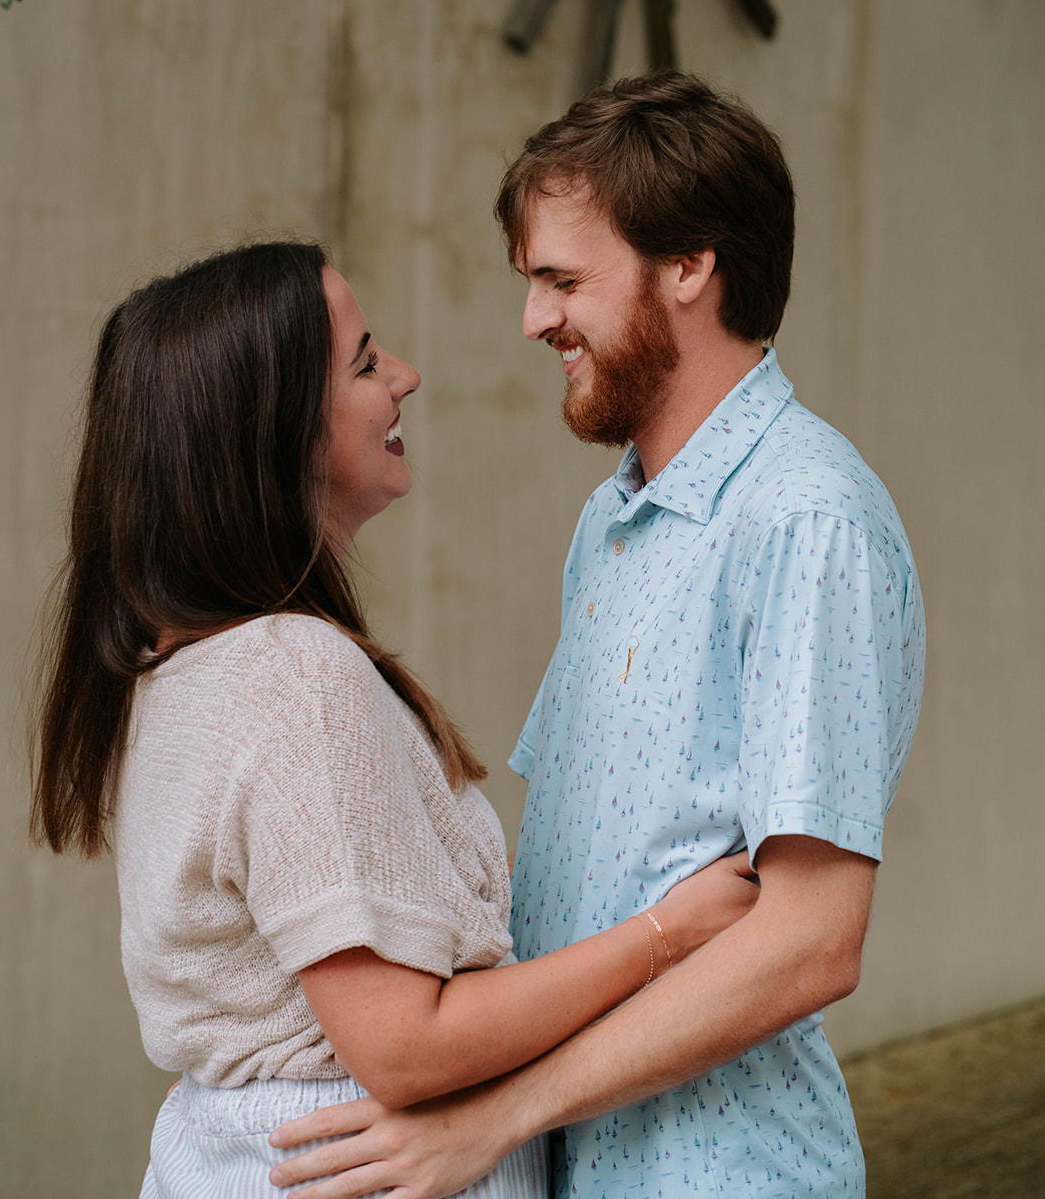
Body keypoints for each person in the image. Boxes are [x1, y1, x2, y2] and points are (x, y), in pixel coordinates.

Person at [266, 72, 926, 1198]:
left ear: (688, 267)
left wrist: (497, 1115)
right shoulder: (610, 521)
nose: (533, 320)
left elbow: (812, 941)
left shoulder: (805, 518)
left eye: (562, 281)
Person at [28, 238, 761, 1198]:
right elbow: (406, 1047)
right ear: (276, 430)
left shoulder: (178, 669)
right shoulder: (292, 676)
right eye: (366, 362)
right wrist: (667, 932)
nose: (405, 377)